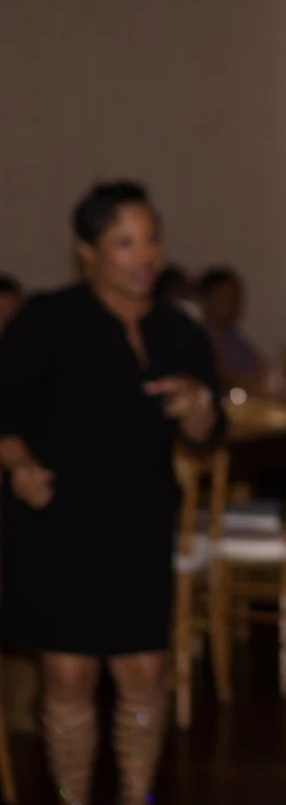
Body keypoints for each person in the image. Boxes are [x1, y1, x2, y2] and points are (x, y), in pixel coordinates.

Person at [0, 182, 221, 805]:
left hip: (140, 519)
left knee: (145, 671)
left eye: (150, 238)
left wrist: (197, 405)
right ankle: (71, 794)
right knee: (67, 676)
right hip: (57, 524)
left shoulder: (178, 329)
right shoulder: (46, 320)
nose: (143, 253)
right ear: (87, 252)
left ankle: (136, 793)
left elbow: (207, 436)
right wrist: (18, 466)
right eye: (123, 242)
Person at [198, 267, 264, 391]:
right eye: (226, 297)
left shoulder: (236, 335)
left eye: (236, 296)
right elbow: (225, 376)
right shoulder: (199, 338)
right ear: (207, 300)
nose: (233, 303)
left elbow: (261, 367)